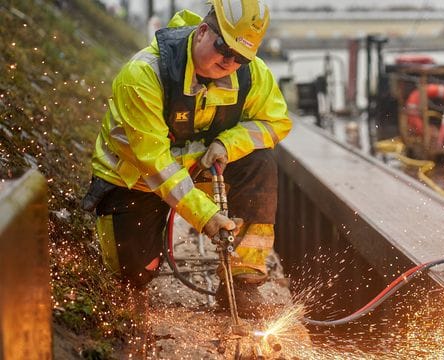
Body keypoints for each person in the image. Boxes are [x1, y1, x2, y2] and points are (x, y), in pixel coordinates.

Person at [81, 0, 291, 318]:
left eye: (241, 57)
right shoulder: (144, 75)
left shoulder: (251, 75)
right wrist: (206, 217)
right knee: (134, 274)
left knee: (259, 164)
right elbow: (155, 164)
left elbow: (276, 122)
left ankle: (243, 280)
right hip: (138, 182)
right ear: (203, 31)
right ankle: (142, 252)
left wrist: (228, 143)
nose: (230, 61)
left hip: (197, 170)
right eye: (225, 48)